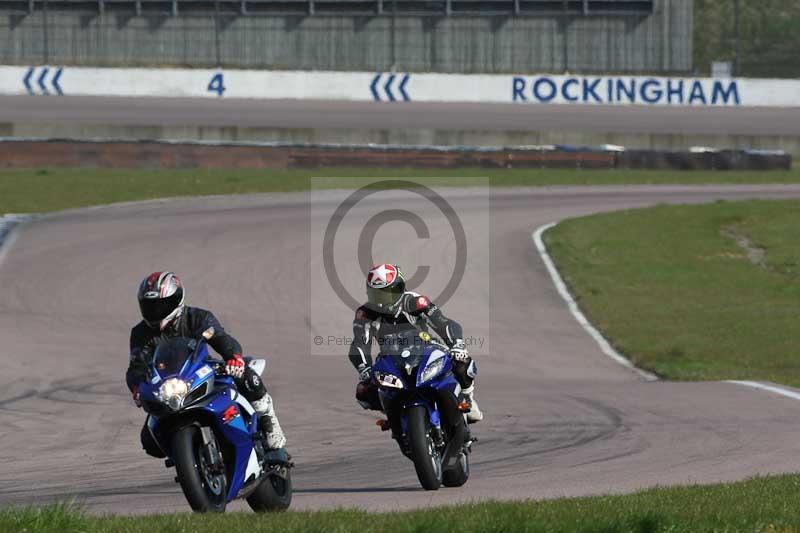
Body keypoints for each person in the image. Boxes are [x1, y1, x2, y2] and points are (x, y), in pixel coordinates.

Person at [126, 271, 287, 455]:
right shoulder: (140, 333)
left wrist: (233, 357)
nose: (155, 311)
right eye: (150, 306)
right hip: (168, 387)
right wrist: (137, 387)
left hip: (202, 370)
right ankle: (189, 455)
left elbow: (220, 338)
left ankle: (269, 423)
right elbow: (136, 365)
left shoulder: (198, 318)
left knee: (248, 377)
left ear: (176, 300)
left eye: (161, 305)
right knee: (150, 440)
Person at [348, 263, 482, 423]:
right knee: (364, 390)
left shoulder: (415, 302)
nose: (384, 300)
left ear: (400, 288)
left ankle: (467, 397)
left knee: (461, 361)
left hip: (426, 348)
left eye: (389, 293)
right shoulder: (365, 314)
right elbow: (359, 343)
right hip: (391, 357)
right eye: (379, 295)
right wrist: (364, 368)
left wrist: (457, 344)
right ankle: (394, 415)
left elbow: (443, 323)